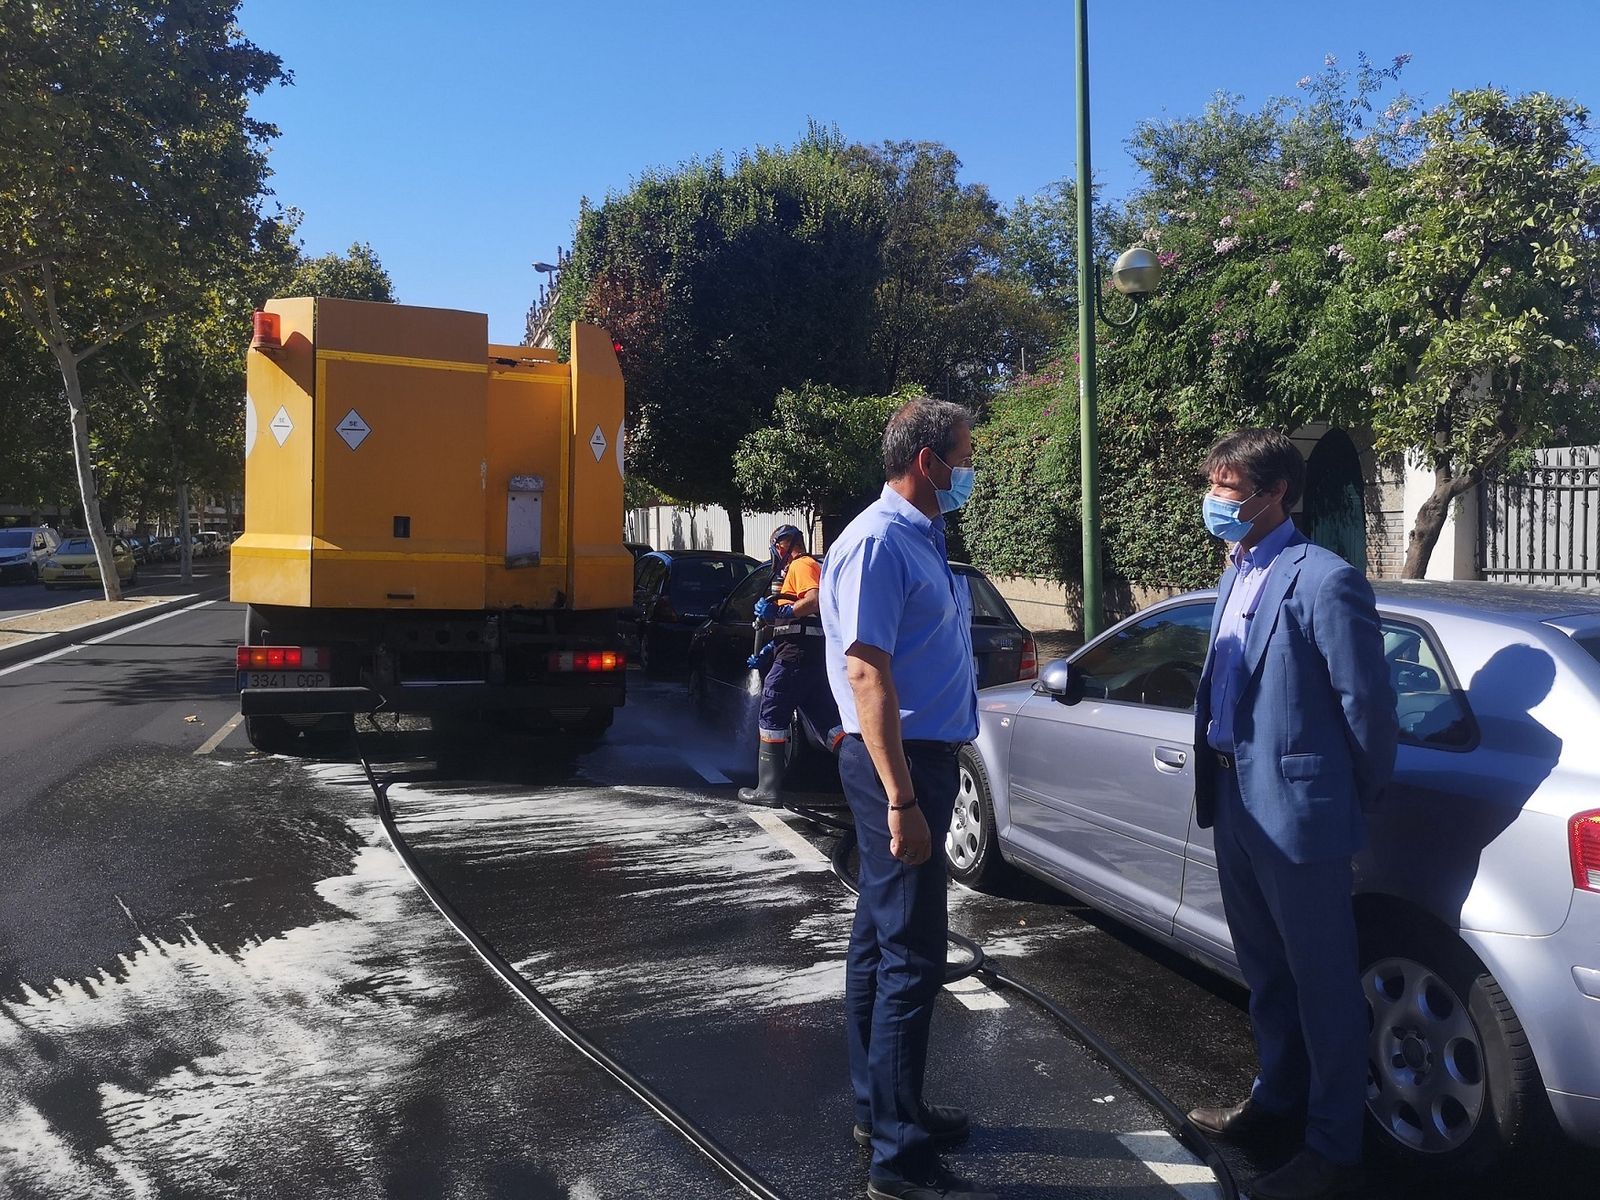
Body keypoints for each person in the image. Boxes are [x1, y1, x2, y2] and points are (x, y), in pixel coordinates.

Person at [1185, 428, 1398, 1200]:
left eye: (1228, 487)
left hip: (1298, 813)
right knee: (1267, 973)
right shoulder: (1235, 571)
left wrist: (1347, 797)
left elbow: (1367, 706)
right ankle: (1276, 1098)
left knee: (1323, 983)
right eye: (1212, 483)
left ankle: (1334, 1149)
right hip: (1233, 799)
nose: (1214, 499)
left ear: (1276, 495)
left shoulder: (1325, 579)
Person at [820, 397, 994, 1200]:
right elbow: (866, 673)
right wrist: (900, 800)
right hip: (900, 766)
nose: (969, 469)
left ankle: (888, 1111)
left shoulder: (924, 535)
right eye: (963, 455)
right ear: (928, 462)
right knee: (912, 956)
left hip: (917, 758)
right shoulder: (879, 541)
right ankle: (897, 1159)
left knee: (877, 942)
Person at [737, 525, 841, 806]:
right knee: (827, 722)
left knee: (772, 711)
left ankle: (767, 789)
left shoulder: (801, 564)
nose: (775, 552)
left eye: (776, 545)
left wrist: (783, 610)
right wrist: (770, 648)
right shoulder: (801, 568)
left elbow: (814, 600)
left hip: (796, 657)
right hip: (806, 655)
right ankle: (865, 775)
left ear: (784, 544)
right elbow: (798, 627)